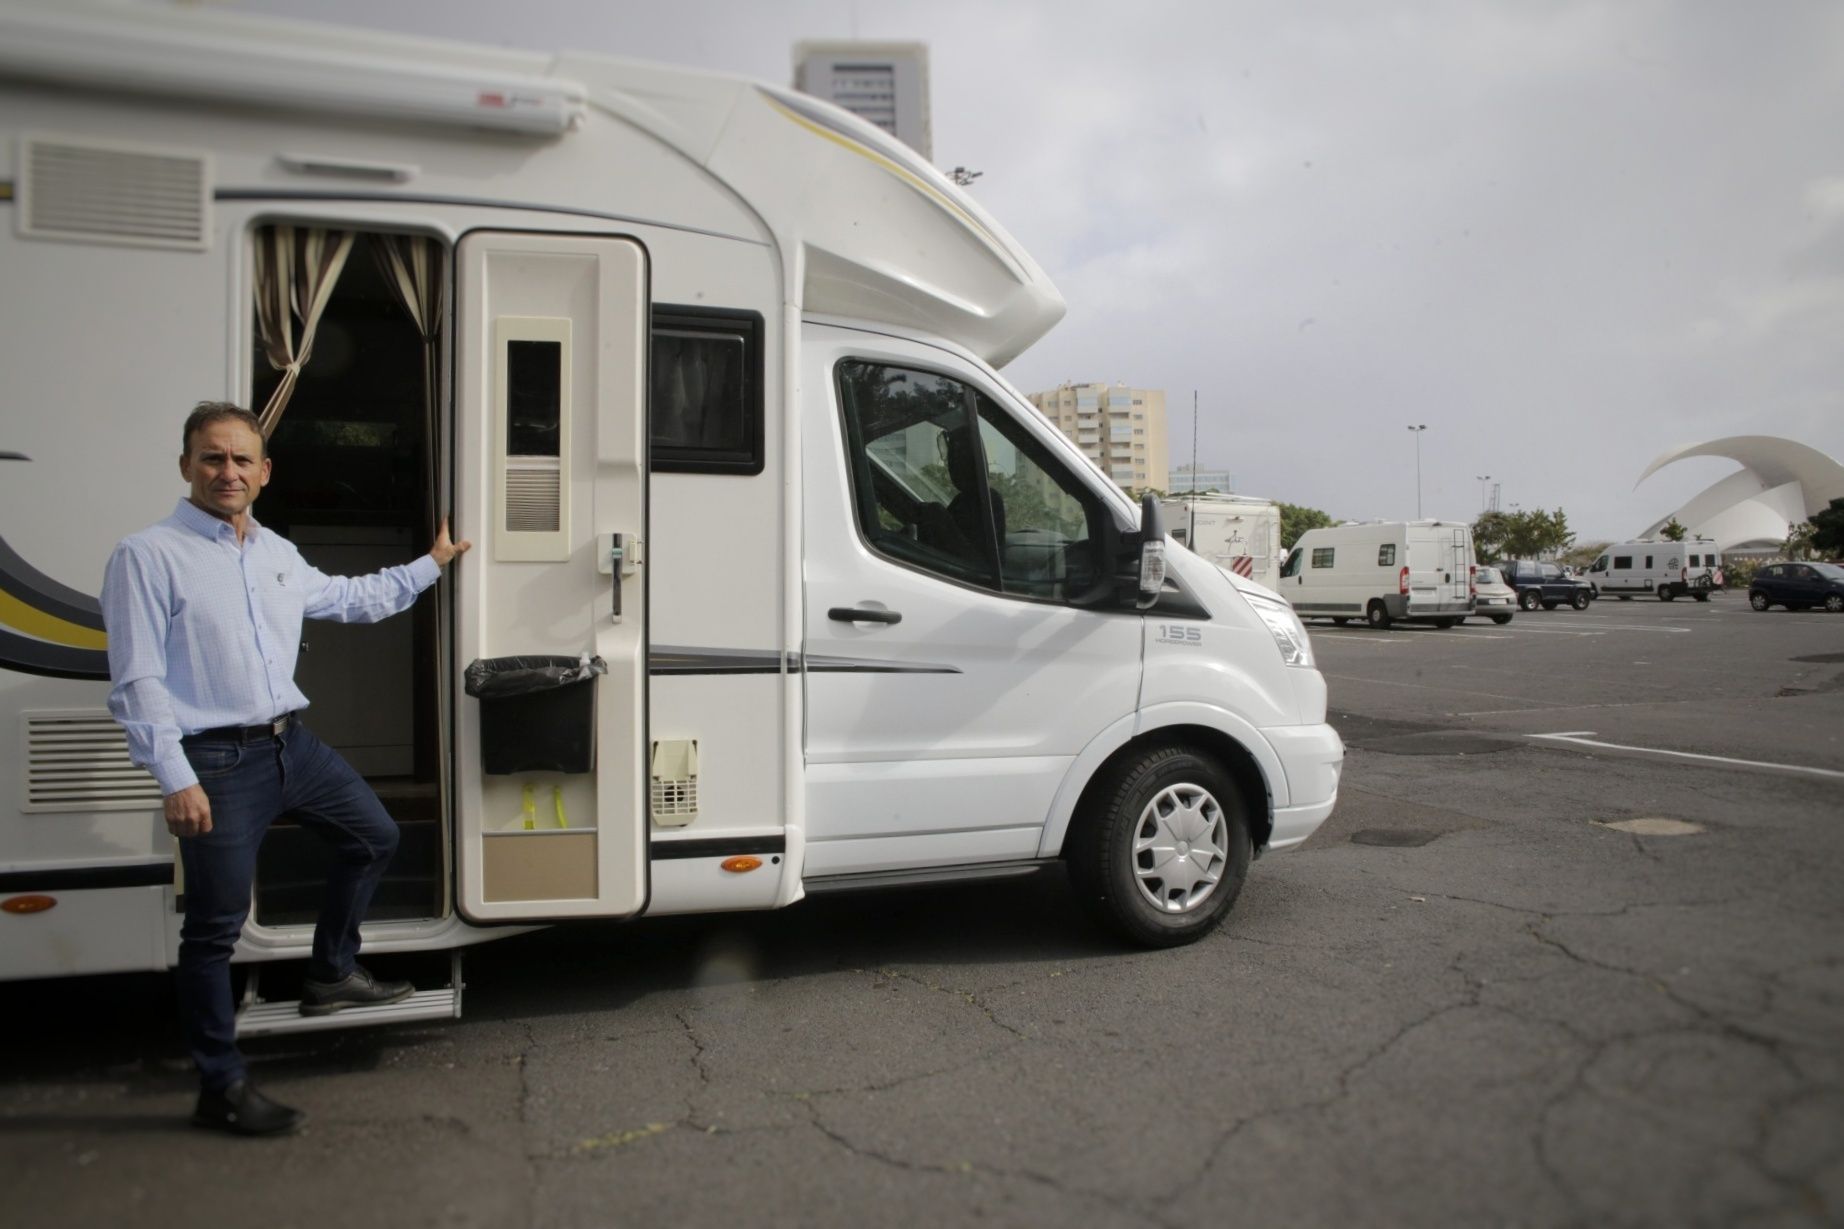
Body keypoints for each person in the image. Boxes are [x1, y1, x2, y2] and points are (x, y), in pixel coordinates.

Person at [101, 401, 470, 1136]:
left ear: (264, 473)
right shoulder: (147, 555)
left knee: (373, 835)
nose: (227, 471)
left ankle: (331, 971)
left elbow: (351, 600)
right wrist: (174, 775)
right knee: (214, 929)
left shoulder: (273, 552)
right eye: (212, 457)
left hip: (288, 745)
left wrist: (432, 565)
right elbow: (136, 678)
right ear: (186, 467)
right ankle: (221, 1084)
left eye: (242, 459)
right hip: (215, 759)